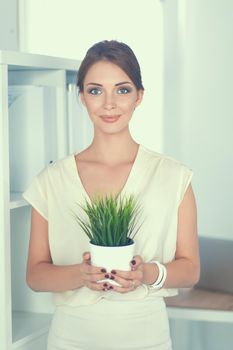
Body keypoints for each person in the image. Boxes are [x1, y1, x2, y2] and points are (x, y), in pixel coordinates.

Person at [23, 40, 200, 350]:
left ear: (139, 96)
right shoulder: (52, 180)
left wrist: (146, 273)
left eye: (122, 89)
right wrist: (81, 275)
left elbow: (190, 270)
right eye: (95, 90)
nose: (108, 104)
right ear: (81, 97)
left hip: (146, 336)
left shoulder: (173, 177)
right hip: (70, 338)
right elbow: (35, 275)